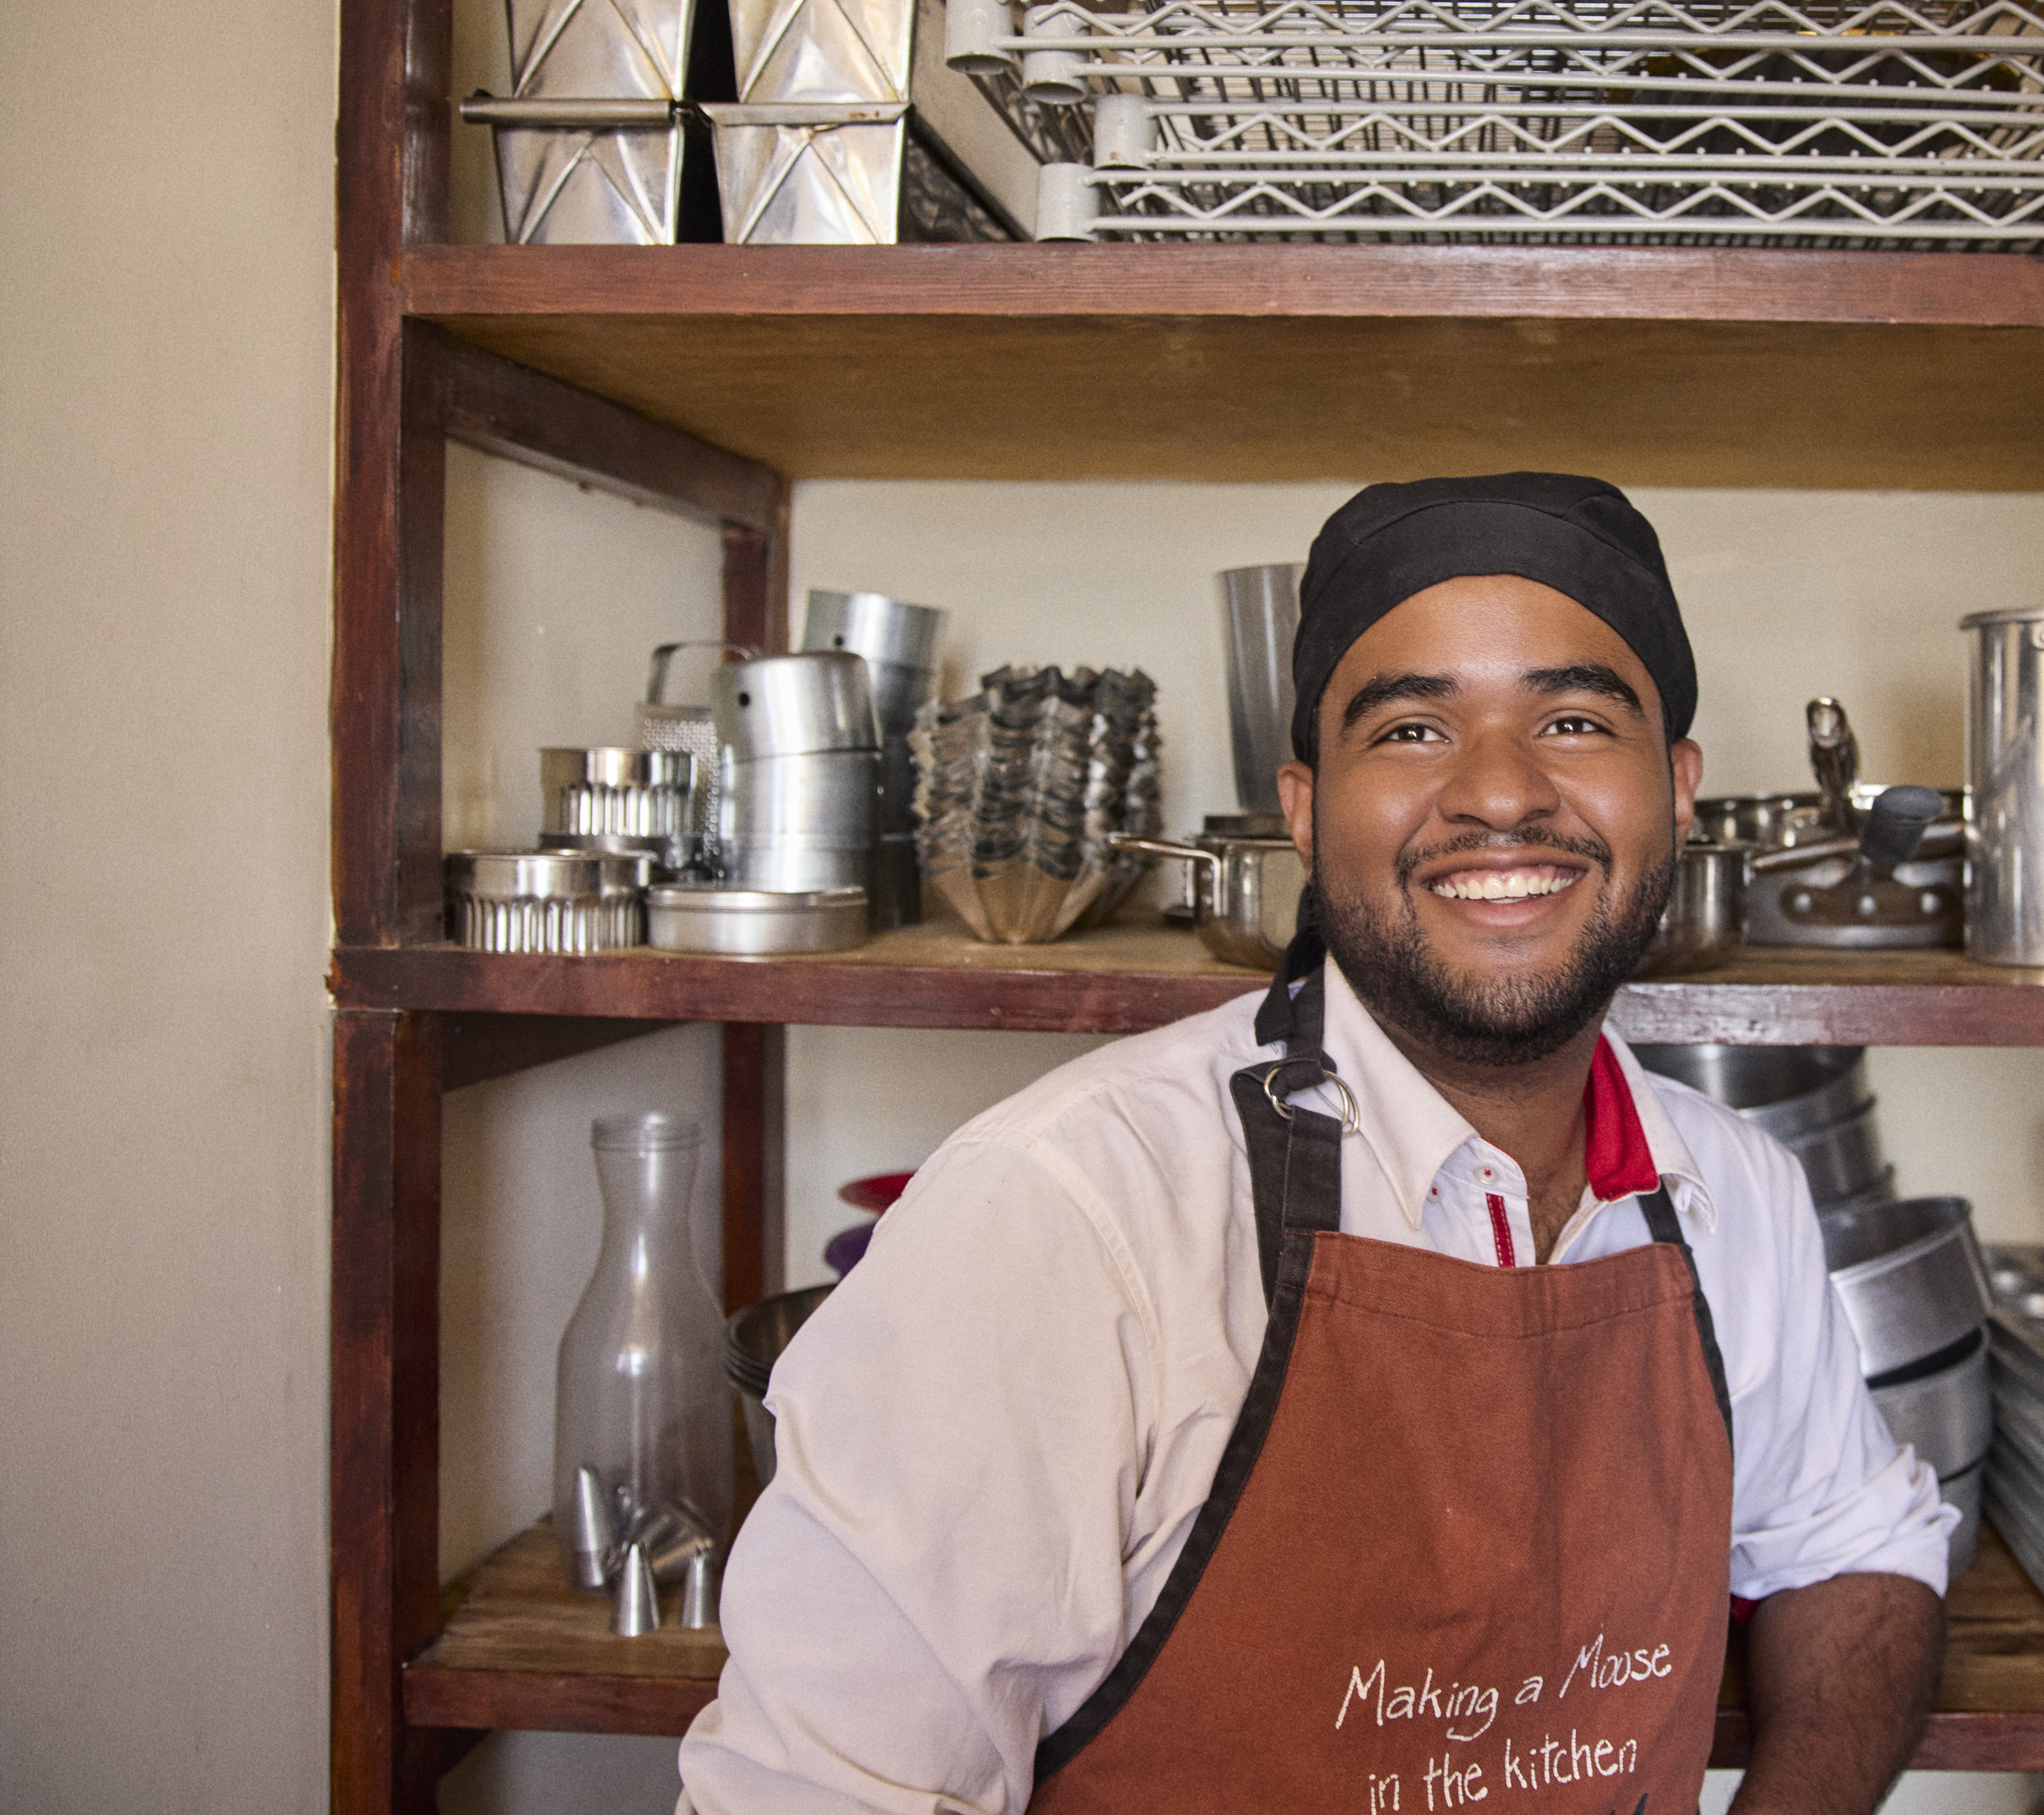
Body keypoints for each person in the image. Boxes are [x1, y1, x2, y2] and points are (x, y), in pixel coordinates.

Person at [681, 473, 1953, 1815]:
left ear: (1678, 792)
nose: (1503, 795)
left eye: (1574, 719)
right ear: (1302, 808)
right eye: (1411, 729)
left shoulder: (1733, 1196)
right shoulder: (1067, 1216)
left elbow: (1858, 1550)